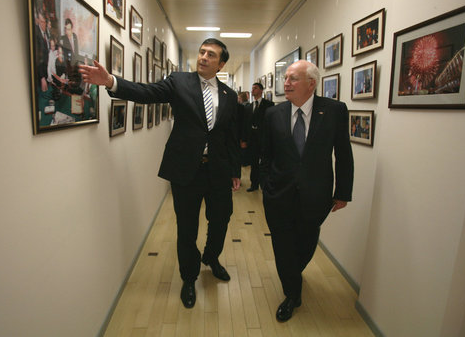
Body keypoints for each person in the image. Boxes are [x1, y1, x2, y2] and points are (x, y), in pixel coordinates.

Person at [79, 38, 241, 309]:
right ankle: (188, 278)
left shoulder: (229, 95)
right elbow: (146, 92)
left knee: (221, 218)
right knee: (187, 227)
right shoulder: (179, 81)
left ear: (221, 63)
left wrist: (235, 170)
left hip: (218, 170)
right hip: (185, 169)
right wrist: (110, 81)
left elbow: (231, 137)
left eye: (210, 55)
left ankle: (211, 258)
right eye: (201, 51)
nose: (203, 57)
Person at [260, 60, 354, 322]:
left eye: (293, 79)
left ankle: (292, 273)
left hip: (316, 194)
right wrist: (266, 186)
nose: (286, 83)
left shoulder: (334, 111)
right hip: (278, 194)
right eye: (285, 78)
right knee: (282, 244)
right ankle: (292, 294)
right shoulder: (273, 114)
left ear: (311, 83)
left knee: (306, 241)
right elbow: (265, 155)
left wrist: (343, 192)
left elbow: (343, 154)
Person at [243, 83, 273, 191]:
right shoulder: (249, 107)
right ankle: (254, 184)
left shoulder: (269, 105)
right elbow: (245, 124)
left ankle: (266, 184)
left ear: (261, 90)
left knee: (265, 162)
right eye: (252, 88)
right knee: (254, 162)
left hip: (264, 139)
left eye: (255, 88)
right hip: (252, 140)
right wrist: (244, 139)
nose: (252, 90)